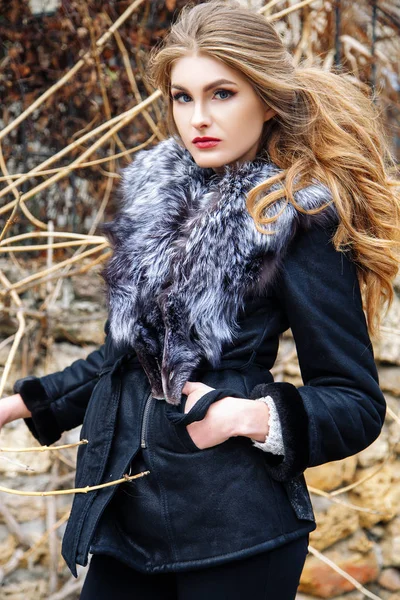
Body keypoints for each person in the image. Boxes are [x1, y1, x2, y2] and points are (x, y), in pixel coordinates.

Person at [1, 1, 399, 598]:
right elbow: (126, 362)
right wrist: (21, 404)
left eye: (222, 93)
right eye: (183, 97)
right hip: (127, 522)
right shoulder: (156, 204)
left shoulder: (292, 216)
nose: (199, 118)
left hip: (235, 535)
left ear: (266, 100)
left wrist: (248, 416)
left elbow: (356, 402)